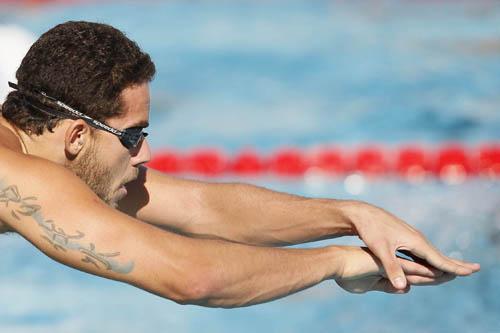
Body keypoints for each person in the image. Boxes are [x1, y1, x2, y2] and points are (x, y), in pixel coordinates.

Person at [0, 21, 479, 308]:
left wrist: (353, 216)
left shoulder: (39, 156)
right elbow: (190, 276)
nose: (143, 154)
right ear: (77, 136)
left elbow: (203, 208)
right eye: (131, 137)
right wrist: (335, 262)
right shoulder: (19, 174)